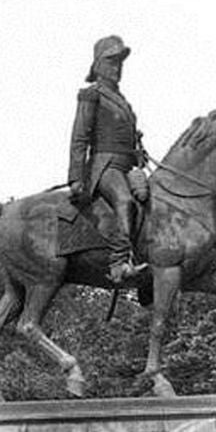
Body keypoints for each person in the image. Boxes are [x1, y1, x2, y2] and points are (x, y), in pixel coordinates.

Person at [68, 33, 149, 283]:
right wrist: (76, 178)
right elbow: (79, 137)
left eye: (120, 63)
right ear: (98, 65)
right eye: (112, 62)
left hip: (126, 167)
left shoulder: (123, 102)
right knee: (124, 201)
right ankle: (119, 263)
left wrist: (138, 152)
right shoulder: (91, 95)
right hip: (104, 168)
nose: (117, 68)